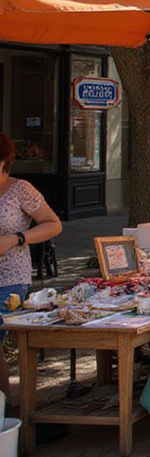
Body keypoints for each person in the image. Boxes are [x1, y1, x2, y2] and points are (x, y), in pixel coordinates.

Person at [0, 132, 63, 404]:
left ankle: (3, 408)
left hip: (10, 277)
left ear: (4, 161)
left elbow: (53, 223)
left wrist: (16, 238)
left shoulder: (20, 189)